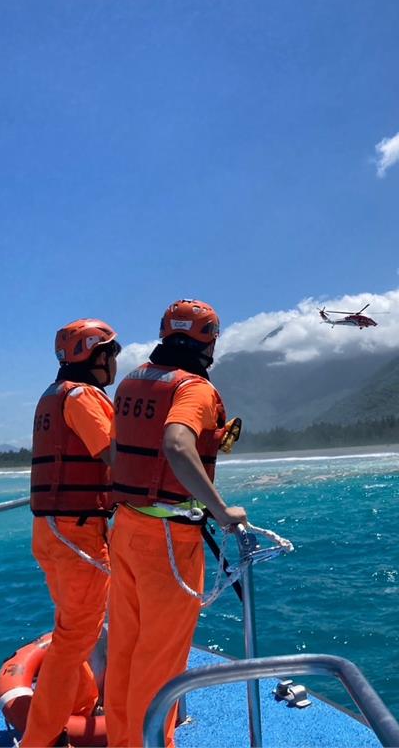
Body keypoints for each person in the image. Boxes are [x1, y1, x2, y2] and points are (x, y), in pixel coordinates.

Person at [104, 299, 247, 748]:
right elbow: (177, 444)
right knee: (159, 661)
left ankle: (126, 741)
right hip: (167, 538)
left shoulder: (130, 381)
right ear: (209, 340)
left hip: (126, 528)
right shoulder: (195, 390)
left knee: (125, 650)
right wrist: (222, 510)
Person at [23, 319, 121, 747]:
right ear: (94, 356)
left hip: (50, 531)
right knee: (73, 639)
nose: (115, 361)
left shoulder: (52, 394)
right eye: (111, 353)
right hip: (77, 535)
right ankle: (39, 740)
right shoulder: (83, 398)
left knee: (72, 631)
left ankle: (81, 707)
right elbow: (115, 456)